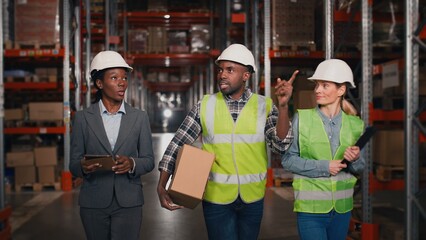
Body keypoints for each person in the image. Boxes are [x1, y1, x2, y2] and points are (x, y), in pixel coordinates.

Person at [157, 43, 298, 240]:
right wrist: (162, 184)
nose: (222, 74)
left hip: (253, 198)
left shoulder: (264, 105)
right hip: (217, 198)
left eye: (230, 70)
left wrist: (283, 107)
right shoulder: (205, 105)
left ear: (246, 75)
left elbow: (281, 144)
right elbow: (178, 143)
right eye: (221, 69)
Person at [69, 50, 155, 240]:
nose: (122, 82)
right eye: (114, 77)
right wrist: (83, 167)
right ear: (99, 83)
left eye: (124, 77)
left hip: (129, 202)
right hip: (93, 202)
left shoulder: (139, 118)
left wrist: (132, 163)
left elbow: (149, 161)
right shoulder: (83, 119)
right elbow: (73, 163)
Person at [281, 59, 365, 240]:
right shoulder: (302, 119)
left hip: (342, 210)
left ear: (341, 90)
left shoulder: (356, 125)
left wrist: (356, 159)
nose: (317, 90)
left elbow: (361, 168)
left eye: (325, 85)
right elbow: (288, 160)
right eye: (317, 85)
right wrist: (324, 167)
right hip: (310, 210)